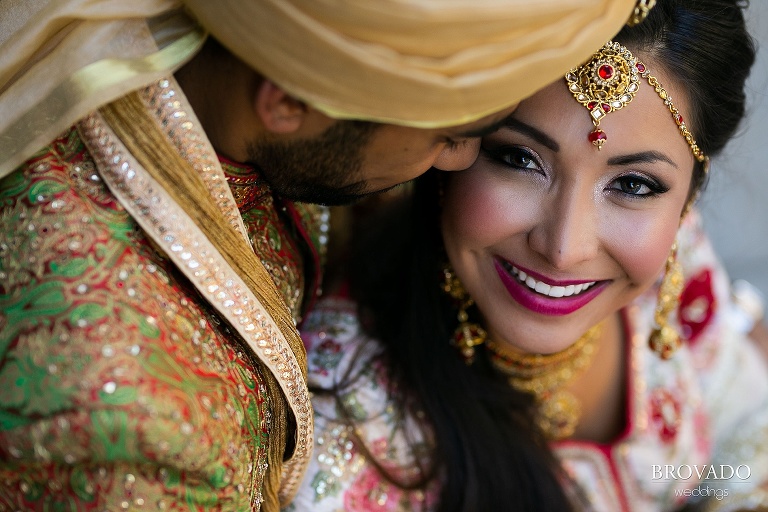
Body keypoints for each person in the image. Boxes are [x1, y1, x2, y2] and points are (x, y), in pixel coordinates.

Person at [0, 0, 646, 509]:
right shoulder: (131, 425)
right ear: (288, 101)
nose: (457, 163)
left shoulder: (238, 60)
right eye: (450, 136)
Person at [293, 0, 768, 510]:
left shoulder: (680, 257)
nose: (564, 248)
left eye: (633, 184)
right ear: (450, 144)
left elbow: (743, 436)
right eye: (519, 159)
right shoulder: (348, 426)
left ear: (688, 197)